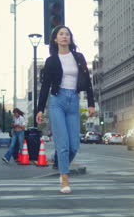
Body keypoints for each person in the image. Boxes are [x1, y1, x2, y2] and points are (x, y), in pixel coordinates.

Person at [36, 25, 95, 194]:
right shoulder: (51, 61)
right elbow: (45, 86)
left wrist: (91, 103)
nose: (64, 36)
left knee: (74, 146)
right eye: (61, 34)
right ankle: (64, 178)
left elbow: (87, 82)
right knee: (62, 145)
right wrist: (39, 110)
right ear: (55, 39)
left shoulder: (78, 57)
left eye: (67, 34)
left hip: (73, 101)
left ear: (70, 38)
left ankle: (60, 164)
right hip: (57, 101)